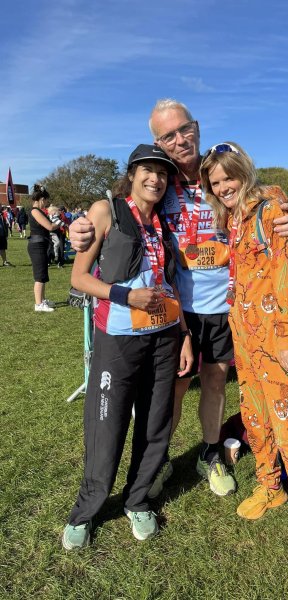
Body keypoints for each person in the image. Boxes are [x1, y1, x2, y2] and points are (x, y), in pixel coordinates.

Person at [69, 99, 288, 499]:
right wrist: (80, 226)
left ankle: (210, 454)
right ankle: (158, 461)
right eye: (167, 135)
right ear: (157, 142)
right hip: (174, 310)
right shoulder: (158, 179)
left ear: (196, 126)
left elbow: (260, 196)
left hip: (228, 307)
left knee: (215, 381)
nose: (179, 140)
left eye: (183, 129)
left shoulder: (219, 170)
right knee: (174, 388)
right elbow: (114, 205)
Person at [199, 142, 288, 578]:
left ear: (244, 171)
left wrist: (283, 335)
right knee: (255, 418)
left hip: (278, 340)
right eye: (214, 182)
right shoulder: (234, 218)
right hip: (246, 339)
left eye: (227, 178)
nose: (222, 187)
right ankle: (270, 486)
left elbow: (285, 272)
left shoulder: (270, 206)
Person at [62, 144, 194, 550]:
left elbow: (171, 284)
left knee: (156, 423)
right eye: (148, 171)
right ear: (132, 173)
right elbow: (79, 279)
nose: (155, 179)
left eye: (162, 173)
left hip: (164, 337)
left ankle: (138, 499)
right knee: (107, 426)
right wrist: (124, 297)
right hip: (118, 341)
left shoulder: (165, 224)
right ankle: (86, 511)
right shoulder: (107, 211)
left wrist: (185, 333)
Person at [27, 185, 61, 312]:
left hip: (42, 244)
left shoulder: (39, 211)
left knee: (43, 274)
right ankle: (38, 304)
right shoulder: (35, 211)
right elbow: (50, 227)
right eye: (45, 200)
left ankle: (42, 300)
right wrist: (59, 222)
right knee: (39, 276)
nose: (46, 203)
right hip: (37, 245)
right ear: (41, 199)